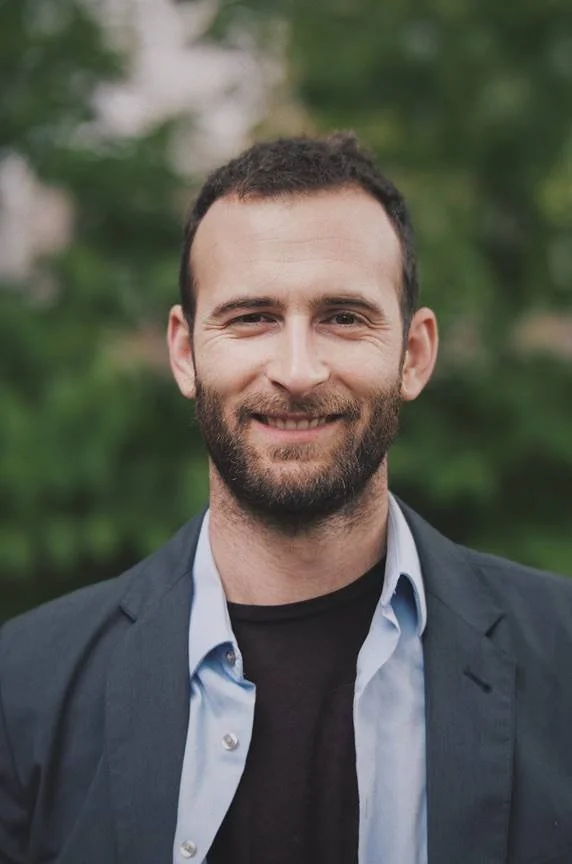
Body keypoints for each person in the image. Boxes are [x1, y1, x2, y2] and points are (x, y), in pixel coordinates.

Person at [1, 133, 571, 864]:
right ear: (184, 353)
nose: (297, 370)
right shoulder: (25, 690)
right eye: (252, 318)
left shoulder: (560, 660)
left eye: (343, 317)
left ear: (415, 355)